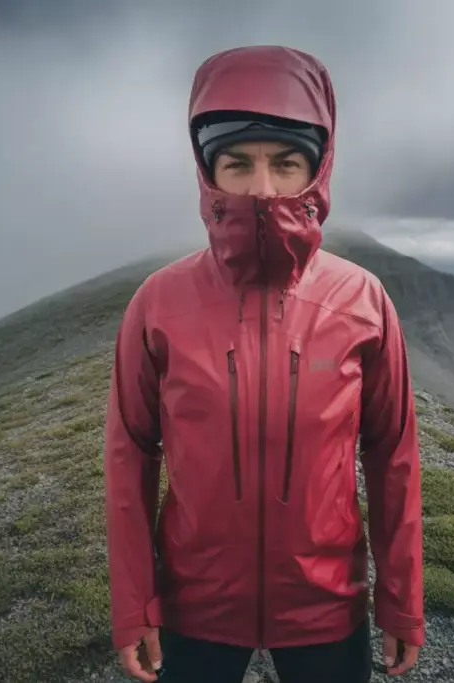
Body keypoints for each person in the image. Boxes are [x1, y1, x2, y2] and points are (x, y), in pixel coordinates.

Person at [104, 45, 424, 683]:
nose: (261, 187)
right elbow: (130, 455)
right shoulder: (157, 304)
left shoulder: (363, 302)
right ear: (206, 172)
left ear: (317, 169)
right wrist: (135, 602)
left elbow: (393, 457)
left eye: (285, 163)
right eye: (237, 163)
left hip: (326, 607)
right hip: (196, 608)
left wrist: (399, 601)